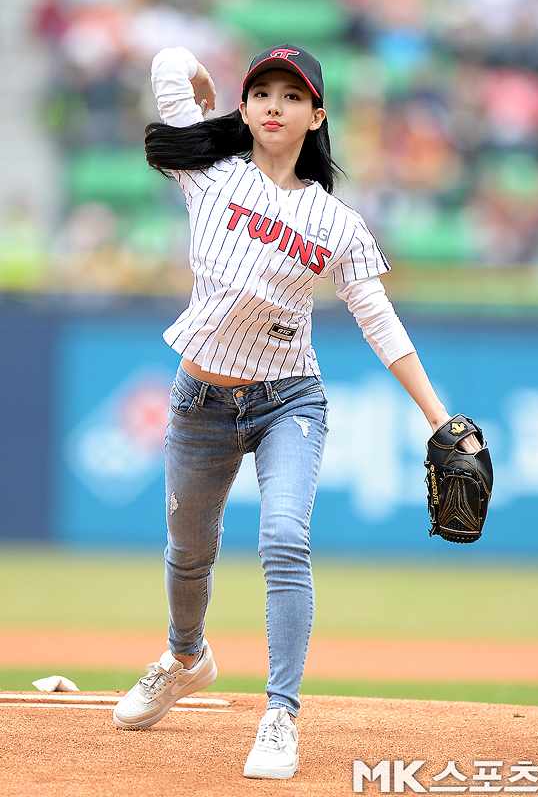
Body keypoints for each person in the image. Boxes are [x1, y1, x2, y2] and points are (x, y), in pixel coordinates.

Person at [113, 43, 480, 780]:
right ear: (245, 108)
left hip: (289, 400)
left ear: (317, 115)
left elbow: (378, 319)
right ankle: (186, 658)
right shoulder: (208, 172)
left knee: (284, 539)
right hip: (199, 402)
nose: (275, 105)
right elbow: (168, 63)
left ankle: (281, 714)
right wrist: (203, 87)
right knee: (188, 550)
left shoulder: (336, 223)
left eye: (292, 95)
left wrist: (439, 416)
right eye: (262, 93)